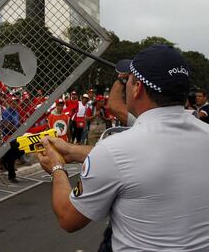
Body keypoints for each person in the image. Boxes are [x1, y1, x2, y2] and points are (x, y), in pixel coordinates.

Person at [37, 45, 209, 251]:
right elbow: (144, 160)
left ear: (137, 88)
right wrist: (72, 150)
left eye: (128, 81)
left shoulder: (115, 150)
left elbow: (68, 218)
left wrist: (56, 168)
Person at [0, 97, 21, 183]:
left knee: (13, 155)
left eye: (16, 102)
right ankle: (12, 176)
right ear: (10, 103)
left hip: (14, 137)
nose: (14, 104)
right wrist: (17, 129)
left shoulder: (16, 113)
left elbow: (17, 124)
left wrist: (18, 129)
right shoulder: (6, 112)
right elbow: (6, 124)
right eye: (13, 102)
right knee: (12, 157)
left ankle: (4, 162)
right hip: (8, 137)